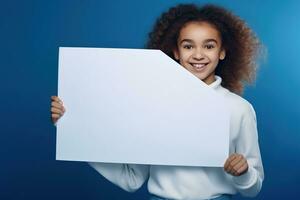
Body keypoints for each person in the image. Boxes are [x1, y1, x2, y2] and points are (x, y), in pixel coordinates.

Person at [51, 3, 264, 200]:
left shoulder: (240, 110)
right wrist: (71, 127)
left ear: (223, 51)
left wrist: (244, 172)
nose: (198, 55)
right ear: (176, 52)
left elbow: (254, 187)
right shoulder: (152, 104)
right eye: (188, 46)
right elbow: (131, 178)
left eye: (209, 46)